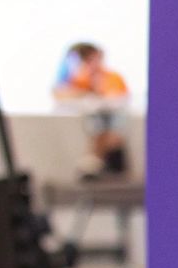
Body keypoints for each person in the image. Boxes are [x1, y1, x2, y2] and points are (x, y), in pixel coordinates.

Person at [54, 42, 130, 177]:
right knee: (97, 125)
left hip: (112, 118)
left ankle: (93, 162)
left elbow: (115, 97)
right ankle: (93, 162)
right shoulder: (78, 79)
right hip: (93, 119)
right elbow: (60, 92)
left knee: (109, 130)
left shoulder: (111, 77)